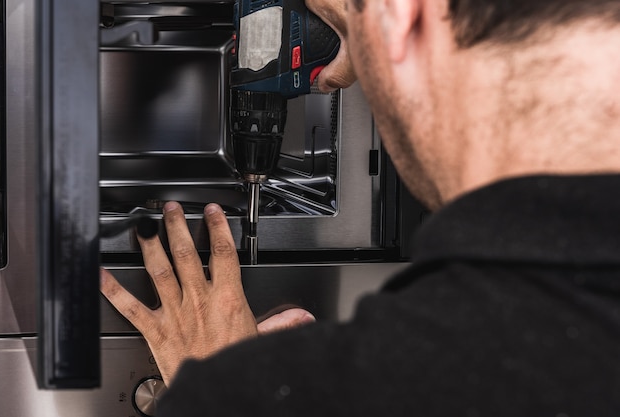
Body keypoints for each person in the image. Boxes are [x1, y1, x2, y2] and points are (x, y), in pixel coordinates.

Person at [100, 0, 620, 414]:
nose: (334, 77)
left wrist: (221, 387)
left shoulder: (318, 391)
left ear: (400, 12)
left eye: (344, 26)